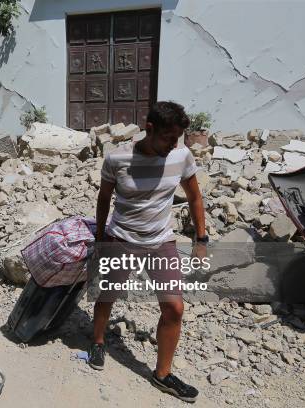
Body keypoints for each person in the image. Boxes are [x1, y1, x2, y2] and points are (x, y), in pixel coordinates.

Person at [90, 101, 207, 402]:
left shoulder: (181, 156)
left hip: (161, 241)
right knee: (107, 295)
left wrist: (201, 240)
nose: (174, 144)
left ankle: (162, 374)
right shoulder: (117, 159)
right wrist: (101, 239)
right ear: (150, 129)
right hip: (122, 238)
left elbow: (195, 198)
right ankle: (98, 341)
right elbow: (104, 199)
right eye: (169, 137)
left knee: (174, 308)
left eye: (179, 137)